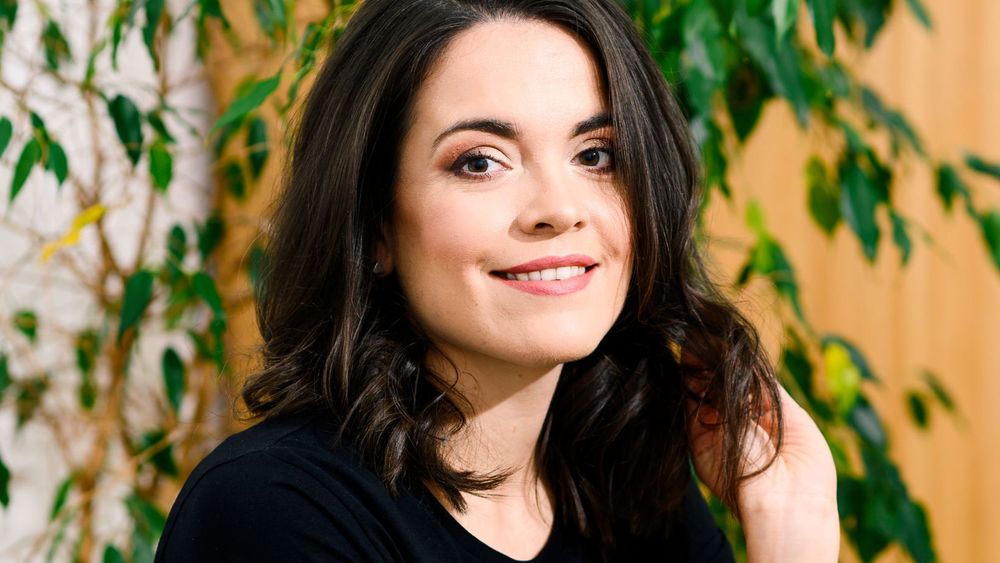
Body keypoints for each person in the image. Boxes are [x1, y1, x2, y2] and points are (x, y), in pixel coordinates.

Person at [154, 0, 839, 561]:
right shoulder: (273, 509)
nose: (558, 209)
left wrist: (789, 516)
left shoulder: (629, 486)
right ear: (375, 226)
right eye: (481, 162)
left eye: (596, 154)